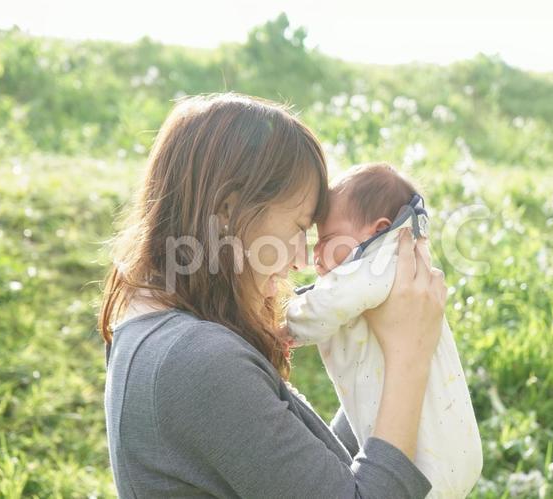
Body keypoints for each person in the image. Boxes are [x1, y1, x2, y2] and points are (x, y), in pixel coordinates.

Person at [99, 93, 448, 498]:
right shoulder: (197, 361)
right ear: (227, 211)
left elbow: (317, 473)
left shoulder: (157, 331)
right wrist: (409, 356)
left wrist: (378, 349)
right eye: (300, 227)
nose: (302, 257)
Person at [286, 162, 483, 498]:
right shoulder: (405, 265)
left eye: (328, 239)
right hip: (452, 455)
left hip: (420, 463)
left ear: (375, 230)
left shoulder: (383, 260)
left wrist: (286, 324)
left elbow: (330, 303)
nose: (316, 254)